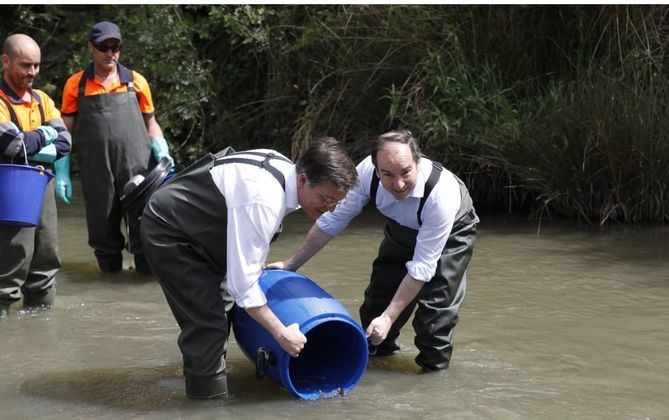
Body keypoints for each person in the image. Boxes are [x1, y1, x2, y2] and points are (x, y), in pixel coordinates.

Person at [140, 137, 358, 398]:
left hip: (203, 231)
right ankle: (207, 405)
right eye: (326, 199)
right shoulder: (263, 199)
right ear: (303, 180)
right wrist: (280, 333)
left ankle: (205, 375)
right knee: (208, 324)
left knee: (225, 308)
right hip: (171, 231)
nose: (330, 209)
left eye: (337, 203)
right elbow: (243, 285)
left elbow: (241, 279)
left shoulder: (285, 174)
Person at [267, 130, 479, 372]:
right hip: (401, 227)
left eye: (406, 172)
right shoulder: (366, 173)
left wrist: (389, 318)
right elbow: (331, 221)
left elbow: (422, 268)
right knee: (375, 307)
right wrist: (291, 264)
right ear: (376, 169)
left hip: (451, 232)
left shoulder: (441, 197)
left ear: (418, 162)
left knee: (434, 319)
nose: (398, 184)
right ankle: (375, 364)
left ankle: (432, 380)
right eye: (387, 174)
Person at [60, 21, 174, 275]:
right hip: (96, 170)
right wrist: (62, 171)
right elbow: (64, 132)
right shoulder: (76, 85)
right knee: (103, 231)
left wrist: (162, 149)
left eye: (115, 47)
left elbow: (151, 123)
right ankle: (110, 281)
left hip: (138, 169)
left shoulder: (136, 82)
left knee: (145, 227)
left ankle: (144, 280)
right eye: (104, 47)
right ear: (91, 47)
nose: (110, 53)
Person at [0, 34, 72, 319]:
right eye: (25, 65)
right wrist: (46, 134)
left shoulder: (42, 100)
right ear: (5, 61)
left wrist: (35, 143)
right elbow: (10, 144)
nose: (32, 73)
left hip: (42, 188)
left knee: (45, 262)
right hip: (9, 191)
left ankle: (41, 333)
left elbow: (66, 141)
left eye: (37, 66)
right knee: (10, 264)